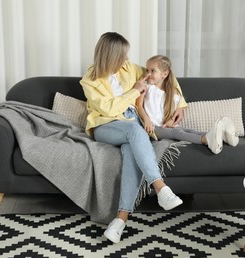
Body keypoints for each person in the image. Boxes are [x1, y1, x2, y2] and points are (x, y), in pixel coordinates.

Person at [80, 32, 192, 244]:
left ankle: (120, 220)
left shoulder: (129, 69)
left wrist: (181, 105)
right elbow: (108, 108)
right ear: (111, 56)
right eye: (123, 55)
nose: (128, 59)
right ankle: (160, 187)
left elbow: (165, 74)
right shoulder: (90, 80)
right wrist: (134, 92)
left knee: (132, 149)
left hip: (133, 124)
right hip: (105, 125)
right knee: (134, 131)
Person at [136, 55, 239, 153]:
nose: (148, 74)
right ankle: (205, 140)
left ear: (165, 74)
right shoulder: (146, 87)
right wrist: (147, 120)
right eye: (147, 70)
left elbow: (172, 112)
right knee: (177, 133)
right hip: (153, 129)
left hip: (166, 126)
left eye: (152, 71)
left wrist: (171, 121)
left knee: (189, 131)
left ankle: (223, 136)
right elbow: (138, 105)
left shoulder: (172, 93)